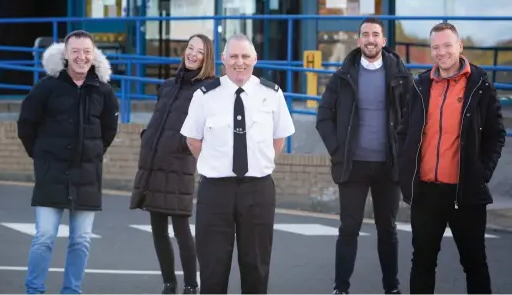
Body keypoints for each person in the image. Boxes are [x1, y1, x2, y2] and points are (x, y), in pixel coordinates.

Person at [180, 33, 295, 294]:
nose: (239, 62)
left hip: (258, 189)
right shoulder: (205, 95)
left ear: (255, 58)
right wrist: (215, 163)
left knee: (256, 268)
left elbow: (279, 139)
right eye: (233, 56)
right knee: (212, 269)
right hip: (216, 190)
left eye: (245, 56)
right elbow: (192, 140)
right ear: (223, 59)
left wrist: (258, 163)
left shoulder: (272, 93)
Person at [396, 22, 506, 294]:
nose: (441, 52)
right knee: (421, 263)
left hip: (465, 193)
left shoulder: (480, 85)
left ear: (460, 46)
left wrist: (480, 175)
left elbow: (496, 135)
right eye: (435, 47)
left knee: (474, 264)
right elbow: (403, 131)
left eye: (447, 45)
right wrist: (404, 170)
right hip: (425, 193)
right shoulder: (420, 84)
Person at [17, 30, 119, 294]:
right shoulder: (46, 87)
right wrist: (41, 157)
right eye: (75, 51)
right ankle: (34, 290)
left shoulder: (104, 91)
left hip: (87, 177)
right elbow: (26, 125)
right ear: (65, 53)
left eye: (86, 51)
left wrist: (92, 155)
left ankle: (71, 291)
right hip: (51, 175)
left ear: (94, 55)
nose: (81, 56)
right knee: (44, 238)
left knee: (81, 241)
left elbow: (108, 131)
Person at [316, 17, 411, 294]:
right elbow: (324, 116)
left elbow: (413, 117)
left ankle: (391, 288)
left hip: (387, 166)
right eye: (365, 35)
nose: (370, 39)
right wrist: (337, 149)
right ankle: (341, 288)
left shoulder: (400, 76)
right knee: (348, 229)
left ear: (383, 41)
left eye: (375, 35)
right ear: (358, 41)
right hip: (352, 166)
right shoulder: (343, 76)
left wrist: (403, 152)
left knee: (388, 230)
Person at [130, 34, 216, 295]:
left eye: (199, 51)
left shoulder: (209, 90)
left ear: (207, 57)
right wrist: (148, 139)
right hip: (155, 164)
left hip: (179, 165)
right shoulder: (167, 85)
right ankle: (169, 283)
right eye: (190, 48)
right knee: (157, 229)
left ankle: (191, 285)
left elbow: (207, 130)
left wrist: (181, 146)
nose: (192, 54)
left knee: (181, 230)